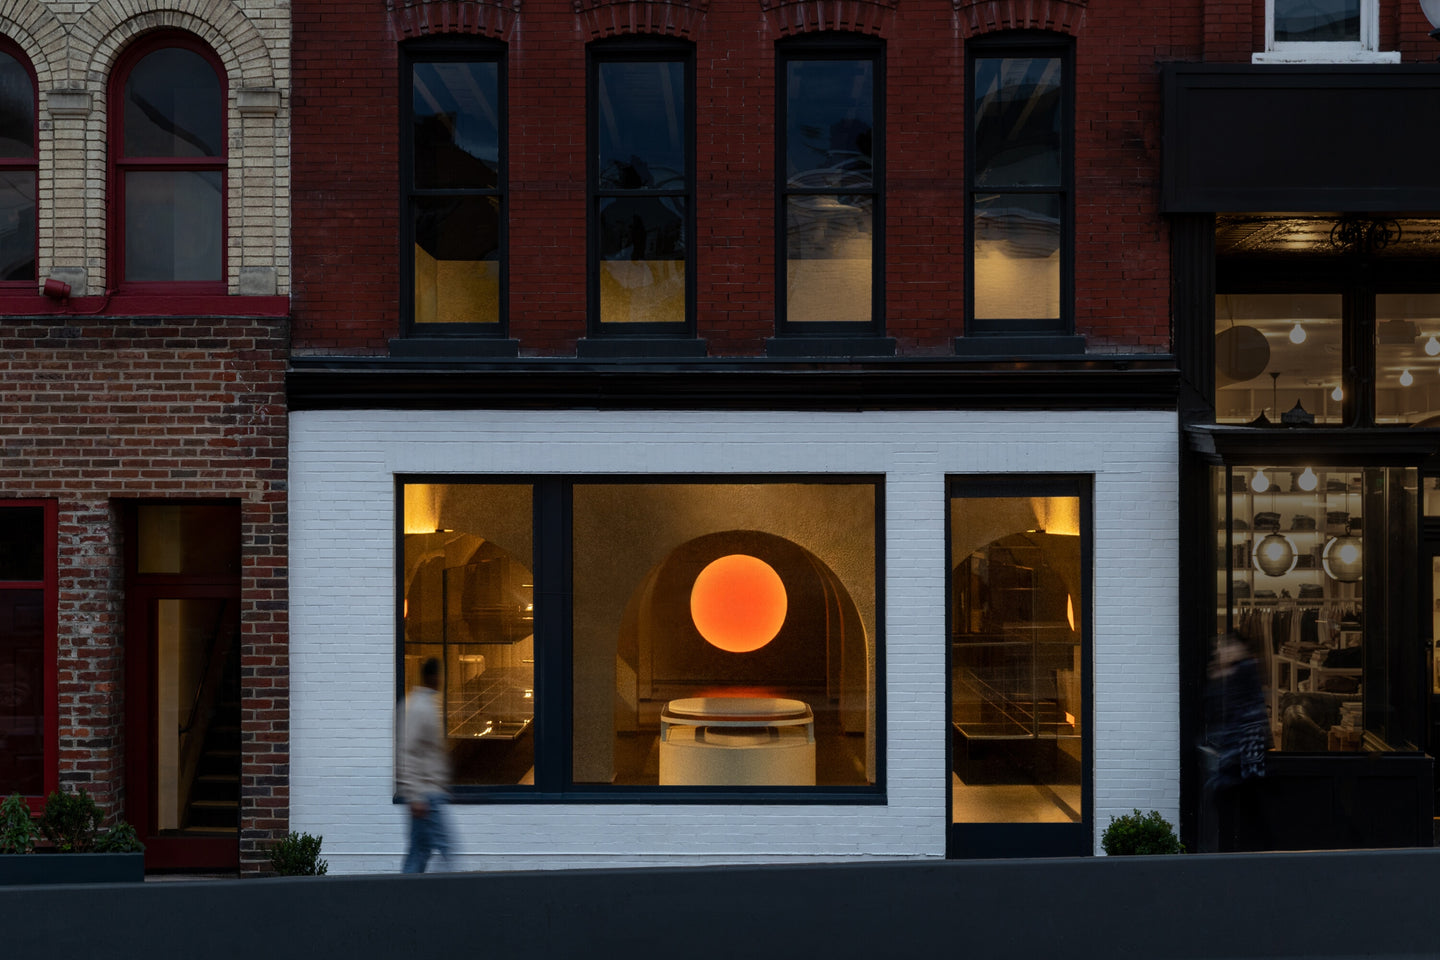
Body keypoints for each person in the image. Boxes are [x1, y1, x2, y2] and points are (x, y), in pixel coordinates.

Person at [1204, 631, 1269, 851]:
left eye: (1224, 646)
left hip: (1240, 761)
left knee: (1242, 816)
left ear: (1238, 648)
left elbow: (1246, 718)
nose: (1219, 651)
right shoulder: (1235, 672)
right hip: (1238, 760)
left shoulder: (1244, 671)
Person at [399, 657, 452, 873]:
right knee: (446, 848)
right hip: (426, 795)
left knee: (420, 851)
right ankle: (448, 895)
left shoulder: (424, 704)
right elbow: (408, 752)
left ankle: (408, 897)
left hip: (429, 793)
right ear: (434, 677)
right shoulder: (420, 707)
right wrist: (415, 796)